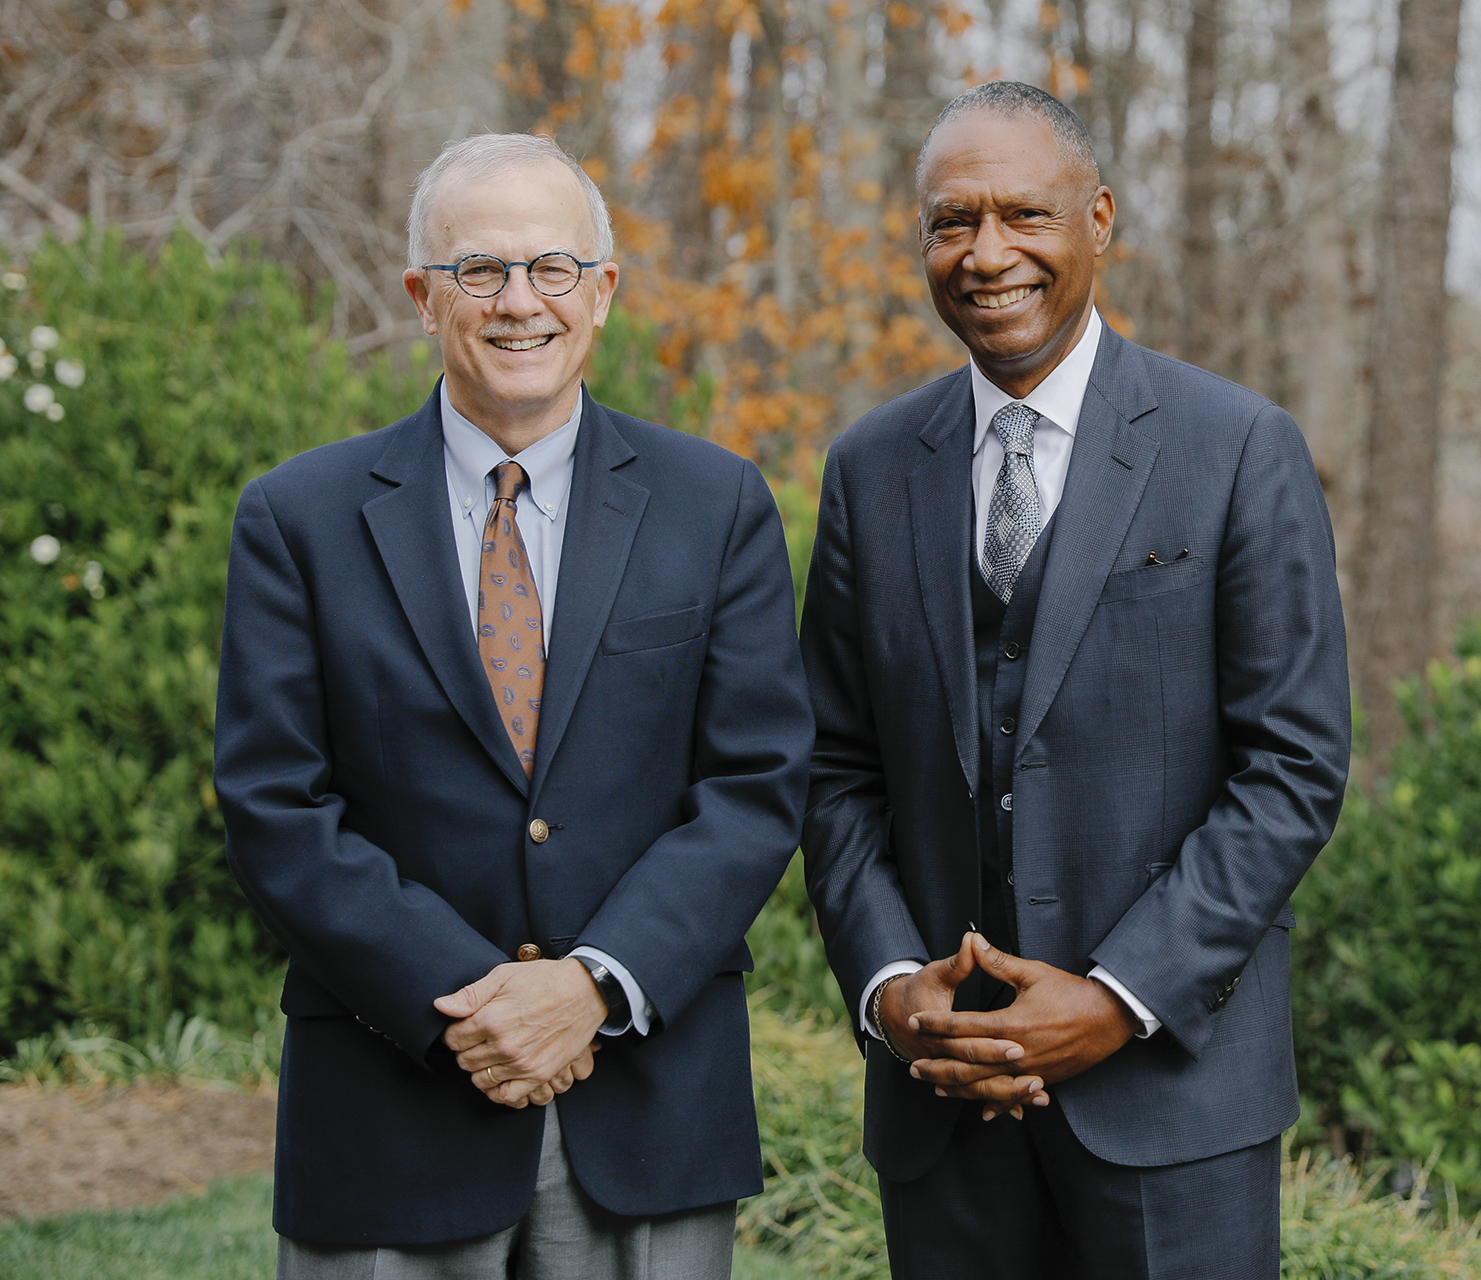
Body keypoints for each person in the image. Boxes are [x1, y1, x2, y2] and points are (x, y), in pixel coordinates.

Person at [215, 132, 811, 1280]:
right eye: (478, 270)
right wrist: (475, 1011)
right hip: (391, 1105)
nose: (518, 302)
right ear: (420, 297)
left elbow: (754, 786)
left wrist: (592, 985)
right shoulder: (299, 518)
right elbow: (274, 803)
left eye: (552, 267)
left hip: (645, 1106)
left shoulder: (716, 504)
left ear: (605, 294)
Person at [799, 81, 1351, 1279]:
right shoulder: (870, 467)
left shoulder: (1236, 447)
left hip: (1171, 1104)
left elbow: (1294, 768)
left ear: (1097, 220)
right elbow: (834, 769)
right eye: (954, 222)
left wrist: (1117, 995)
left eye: (1024, 216)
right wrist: (895, 991)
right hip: (941, 1106)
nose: (988, 253)